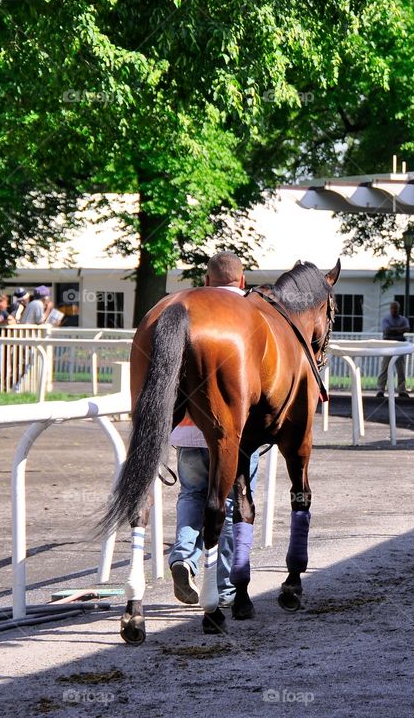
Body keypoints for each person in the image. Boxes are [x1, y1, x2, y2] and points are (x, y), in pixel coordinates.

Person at [169, 251, 260, 610]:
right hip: (236, 437)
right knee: (231, 505)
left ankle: (183, 557)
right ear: (241, 282)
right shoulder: (252, 314)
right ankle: (222, 587)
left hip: (188, 431)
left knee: (192, 495)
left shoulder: (189, 308)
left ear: (207, 281)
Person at [376, 301, 409, 398]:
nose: (394, 310)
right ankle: (380, 390)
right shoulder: (386, 319)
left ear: (398, 309)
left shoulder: (403, 319)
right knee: (384, 368)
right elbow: (386, 330)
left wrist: (393, 330)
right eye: (393, 308)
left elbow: (407, 328)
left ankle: (402, 390)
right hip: (388, 346)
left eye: (396, 308)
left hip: (399, 346)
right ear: (390, 309)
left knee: (401, 369)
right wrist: (399, 330)